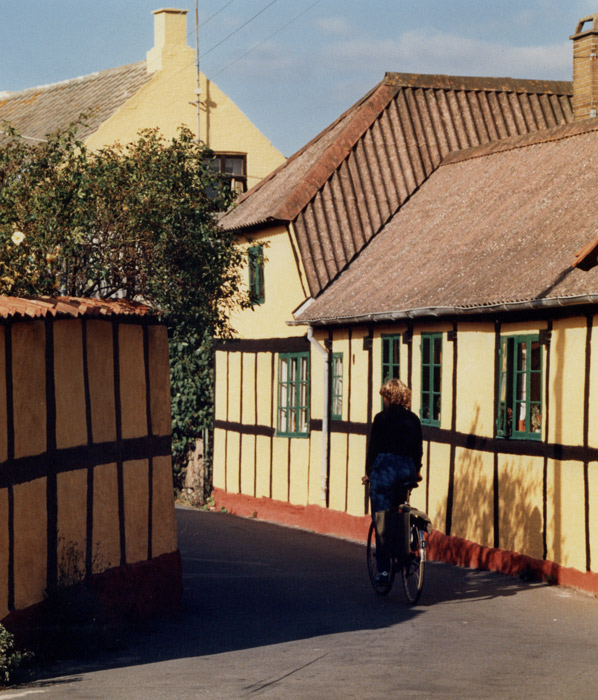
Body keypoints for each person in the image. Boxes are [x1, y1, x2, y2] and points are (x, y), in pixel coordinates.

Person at [362, 378, 423, 582]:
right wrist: (417, 471)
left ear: (390, 397)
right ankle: (407, 549)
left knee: (381, 517)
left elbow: (373, 449)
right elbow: (418, 449)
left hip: (386, 470)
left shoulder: (381, 418)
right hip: (407, 469)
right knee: (400, 507)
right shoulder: (413, 419)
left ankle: (384, 569)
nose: (384, 402)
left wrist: (369, 472)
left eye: (385, 398)